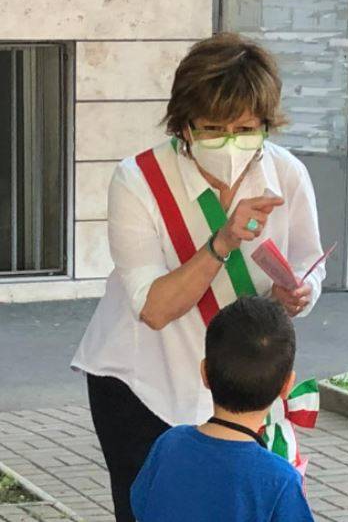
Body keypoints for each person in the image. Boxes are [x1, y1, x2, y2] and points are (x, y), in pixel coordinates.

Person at [71, 33, 325, 521]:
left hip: (240, 387)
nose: (229, 143)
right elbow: (154, 308)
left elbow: (311, 265)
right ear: (183, 126)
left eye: (246, 129)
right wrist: (222, 243)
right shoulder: (138, 180)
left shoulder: (287, 175)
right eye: (212, 128)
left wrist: (298, 294)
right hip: (144, 383)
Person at [129, 297, 314, 522]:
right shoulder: (279, 480)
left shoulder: (168, 444)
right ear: (287, 386)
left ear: (205, 373)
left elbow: (140, 507)